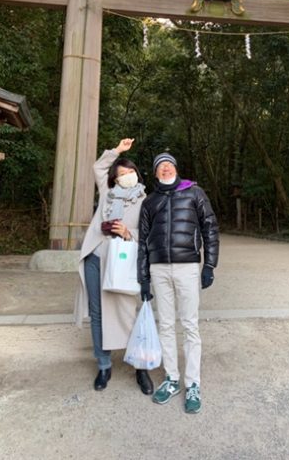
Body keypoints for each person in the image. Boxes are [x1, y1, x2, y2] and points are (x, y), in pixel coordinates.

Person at [138, 152, 219, 414]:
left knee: (190, 325)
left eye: (169, 164)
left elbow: (210, 228)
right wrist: (143, 277)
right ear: (155, 173)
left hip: (187, 266)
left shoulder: (195, 193)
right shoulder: (150, 202)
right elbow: (142, 241)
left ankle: (192, 383)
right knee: (166, 325)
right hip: (159, 267)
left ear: (176, 168)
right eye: (160, 166)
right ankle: (171, 378)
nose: (165, 168)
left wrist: (209, 265)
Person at [75, 138, 153, 395]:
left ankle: (141, 367)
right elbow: (98, 168)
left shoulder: (145, 202)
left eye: (130, 172)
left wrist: (128, 232)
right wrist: (117, 151)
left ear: (137, 175)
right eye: (121, 174)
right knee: (98, 314)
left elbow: (149, 235)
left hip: (123, 261)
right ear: (115, 180)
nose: (127, 176)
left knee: (128, 312)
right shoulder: (107, 194)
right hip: (96, 256)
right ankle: (104, 364)